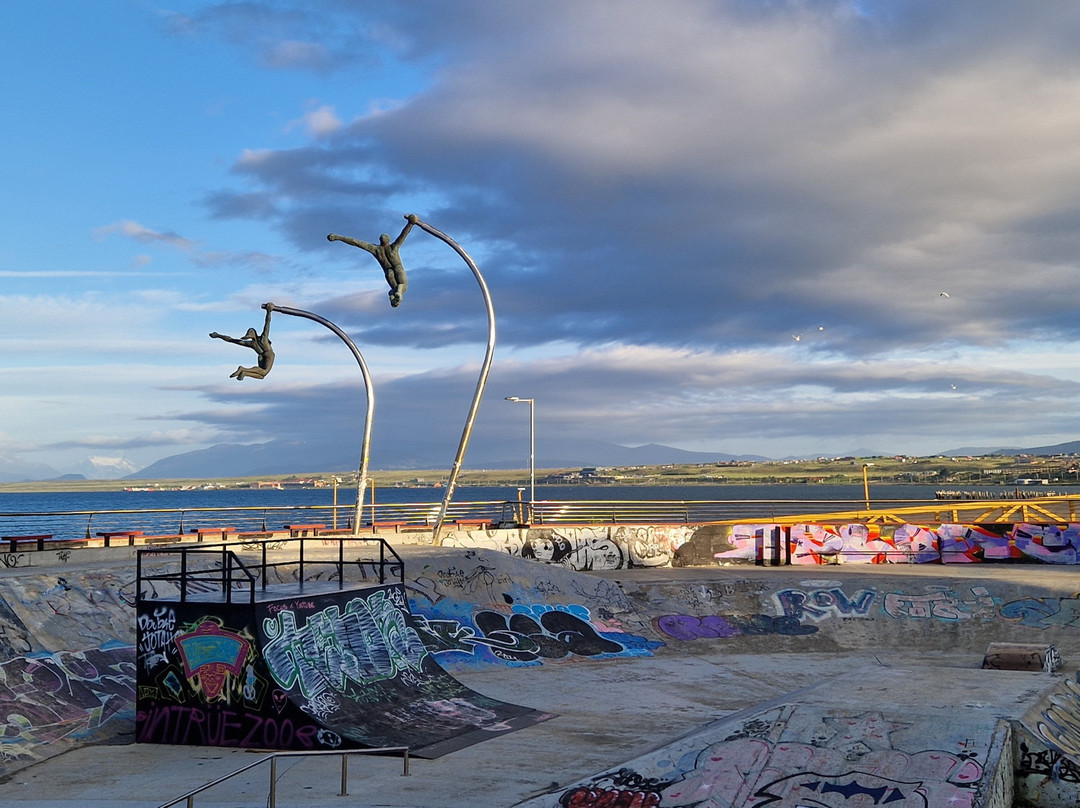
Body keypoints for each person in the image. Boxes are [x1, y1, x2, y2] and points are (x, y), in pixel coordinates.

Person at [327, 214, 419, 307]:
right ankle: (397, 293)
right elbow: (403, 235)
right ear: (388, 240)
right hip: (396, 268)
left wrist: (338, 237)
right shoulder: (392, 247)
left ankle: (395, 294)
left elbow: (356, 242)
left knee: (395, 286)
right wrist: (410, 224)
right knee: (402, 285)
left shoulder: (376, 249)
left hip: (389, 272)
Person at [209, 303, 275, 380]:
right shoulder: (263, 338)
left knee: (261, 376)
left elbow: (232, 340)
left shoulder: (251, 343)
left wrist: (218, 335)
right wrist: (269, 312)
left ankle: (244, 373)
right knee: (264, 372)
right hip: (268, 354)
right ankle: (243, 369)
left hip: (261, 356)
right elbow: (267, 324)